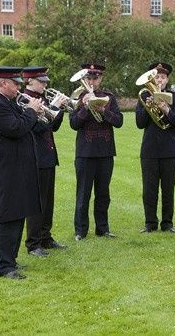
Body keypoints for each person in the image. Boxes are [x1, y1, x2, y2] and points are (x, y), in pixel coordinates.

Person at [0, 66, 44, 279]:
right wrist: (32, 111)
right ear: (3, 83)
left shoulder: (7, 102)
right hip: (6, 168)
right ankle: (4, 266)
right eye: (15, 83)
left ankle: (11, 259)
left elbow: (27, 126)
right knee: (7, 214)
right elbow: (16, 128)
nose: (19, 87)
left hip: (18, 166)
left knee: (18, 212)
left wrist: (36, 113)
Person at [69, 63, 123, 241]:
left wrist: (103, 110)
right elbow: (74, 124)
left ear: (101, 79)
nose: (92, 81)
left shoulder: (109, 97)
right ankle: (80, 231)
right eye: (89, 78)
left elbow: (119, 121)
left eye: (95, 78)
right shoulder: (78, 97)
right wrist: (84, 107)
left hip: (105, 152)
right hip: (85, 152)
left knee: (103, 194)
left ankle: (103, 229)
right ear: (84, 79)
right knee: (83, 193)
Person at [21, 66, 68, 258]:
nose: (46, 84)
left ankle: (46, 236)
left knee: (48, 201)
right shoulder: (25, 100)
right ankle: (33, 243)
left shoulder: (44, 99)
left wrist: (60, 109)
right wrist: (54, 108)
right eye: (41, 81)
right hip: (35, 155)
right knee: (36, 202)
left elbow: (53, 127)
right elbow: (38, 128)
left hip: (48, 154)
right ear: (29, 81)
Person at [135, 62, 175, 233]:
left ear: (167, 79)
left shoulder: (174, 97)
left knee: (168, 189)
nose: (159, 80)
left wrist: (166, 109)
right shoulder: (144, 95)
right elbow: (139, 123)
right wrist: (148, 107)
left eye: (162, 77)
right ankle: (150, 223)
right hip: (149, 150)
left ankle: (167, 224)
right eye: (156, 77)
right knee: (149, 189)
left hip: (170, 150)